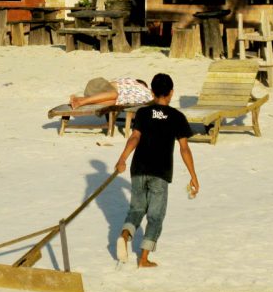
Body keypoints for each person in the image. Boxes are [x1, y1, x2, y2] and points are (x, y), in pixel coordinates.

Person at [114, 73, 199, 267]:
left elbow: (134, 137)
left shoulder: (143, 113)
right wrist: (193, 176)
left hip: (138, 169)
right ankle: (143, 259)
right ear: (171, 93)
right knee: (155, 215)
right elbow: (184, 148)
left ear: (152, 92)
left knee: (136, 209)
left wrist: (122, 159)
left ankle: (125, 234)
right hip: (160, 173)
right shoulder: (177, 117)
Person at [69, 77, 152, 109]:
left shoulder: (125, 95)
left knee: (114, 102)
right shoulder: (130, 82)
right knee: (115, 95)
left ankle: (79, 99)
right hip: (96, 85)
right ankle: (80, 102)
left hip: (96, 94)